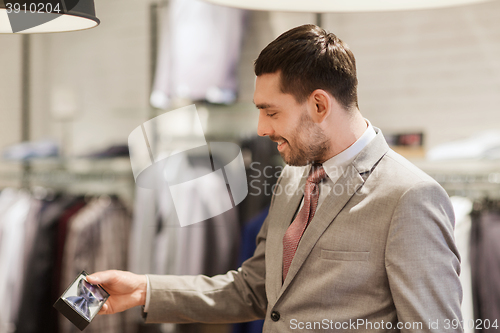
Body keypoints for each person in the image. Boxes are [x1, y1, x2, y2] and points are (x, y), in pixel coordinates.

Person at [87, 24, 463, 332]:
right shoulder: (292, 177)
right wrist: (144, 290)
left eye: (271, 112)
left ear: (319, 105)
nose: (261, 129)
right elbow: (256, 289)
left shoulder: (410, 197)